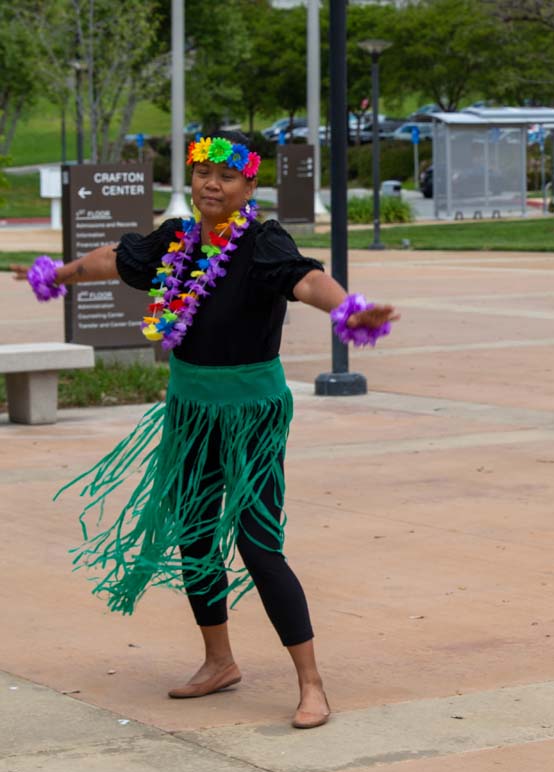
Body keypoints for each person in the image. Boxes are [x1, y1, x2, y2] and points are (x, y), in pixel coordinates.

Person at [12, 131, 396, 730]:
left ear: (249, 184)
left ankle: (311, 682)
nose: (210, 185)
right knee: (194, 534)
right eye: (202, 173)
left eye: (225, 175)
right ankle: (219, 661)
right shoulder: (177, 240)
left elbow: (306, 278)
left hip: (251, 416)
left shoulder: (263, 242)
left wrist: (347, 308)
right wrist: (57, 274)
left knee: (258, 542)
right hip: (191, 412)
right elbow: (117, 257)